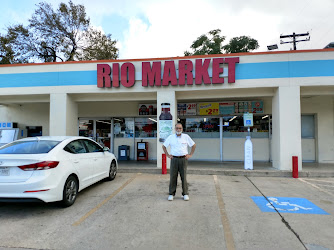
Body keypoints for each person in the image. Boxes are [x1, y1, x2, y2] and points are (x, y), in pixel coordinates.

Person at [162, 123, 196, 201]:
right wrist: (168, 155)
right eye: (177, 128)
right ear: (175, 129)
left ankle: (185, 194)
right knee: (173, 177)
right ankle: (171, 194)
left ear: (182, 129)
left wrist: (190, 154)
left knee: (183, 177)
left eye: (180, 128)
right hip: (174, 159)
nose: (178, 130)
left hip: (183, 159)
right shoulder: (171, 137)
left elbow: (193, 145)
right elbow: (164, 146)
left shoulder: (186, 137)